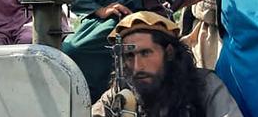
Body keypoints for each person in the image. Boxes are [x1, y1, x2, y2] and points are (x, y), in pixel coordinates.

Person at [92, 11, 242, 117]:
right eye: (129, 56)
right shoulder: (118, 96)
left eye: (145, 53)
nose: (137, 67)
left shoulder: (205, 86)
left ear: (169, 52)